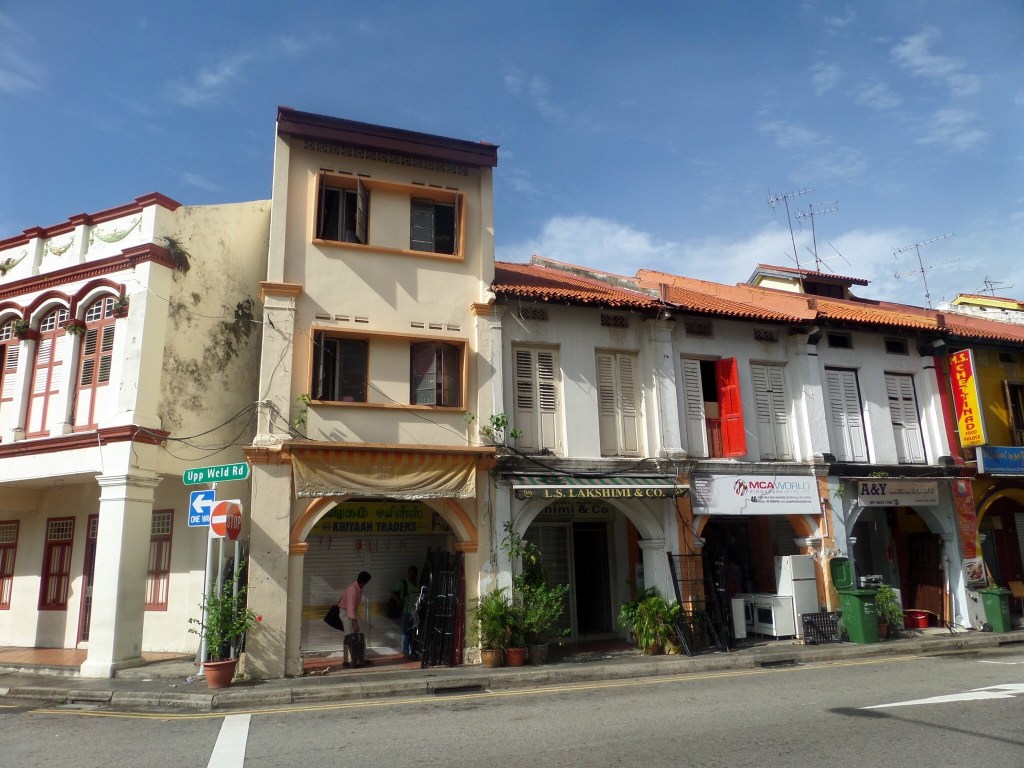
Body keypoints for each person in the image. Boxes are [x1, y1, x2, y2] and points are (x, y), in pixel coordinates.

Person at [339, 571, 371, 667]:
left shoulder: (357, 587)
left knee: (361, 633)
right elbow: (350, 607)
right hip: (346, 612)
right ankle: (347, 660)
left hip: (352, 611)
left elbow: (353, 608)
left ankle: (361, 658)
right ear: (365, 582)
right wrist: (355, 622)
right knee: (349, 636)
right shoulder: (353, 589)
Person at [392, 566, 419, 658]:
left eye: (412, 573)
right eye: (409, 573)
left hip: (416, 612)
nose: (410, 575)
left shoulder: (419, 583)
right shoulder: (404, 583)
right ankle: (406, 652)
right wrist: (398, 601)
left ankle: (414, 651)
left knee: (415, 632)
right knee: (406, 632)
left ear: (416, 574)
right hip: (406, 611)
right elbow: (392, 591)